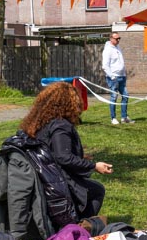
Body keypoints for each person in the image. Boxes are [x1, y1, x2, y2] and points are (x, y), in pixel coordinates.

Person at [20, 82, 113, 220]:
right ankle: (77, 224)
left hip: (43, 175)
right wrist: (94, 166)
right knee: (97, 190)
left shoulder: (40, 123)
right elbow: (63, 157)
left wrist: (80, 157)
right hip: (56, 181)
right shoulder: (60, 126)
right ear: (70, 104)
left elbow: (53, 151)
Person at [102, 32, 134, 125]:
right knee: (114, 97)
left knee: (125, 95)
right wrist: (112, 76)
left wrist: (124, 74)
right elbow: (105, 66)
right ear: (111, 39)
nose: (118, 40)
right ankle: (113, 118)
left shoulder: (118, 48)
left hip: (122, 77)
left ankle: (124, 117)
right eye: (116, 39)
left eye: (119, 38)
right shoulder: (107, 50)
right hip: (113, 78)